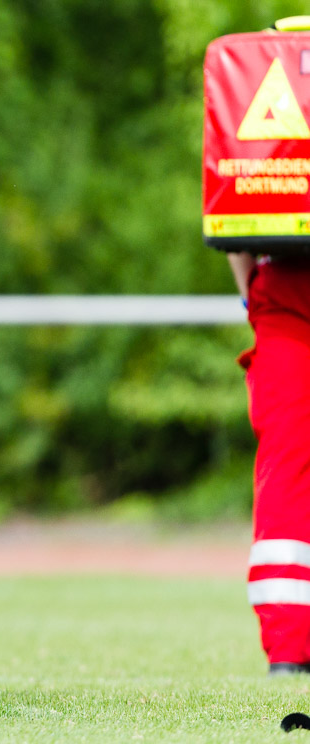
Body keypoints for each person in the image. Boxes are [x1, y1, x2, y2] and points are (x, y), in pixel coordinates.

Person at [229, 250, 310, 676]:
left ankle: (289, 650)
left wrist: (254, 294)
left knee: (287, 471)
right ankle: (289, 647)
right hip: (281, 295)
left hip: (282, 288)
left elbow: (232, 214)